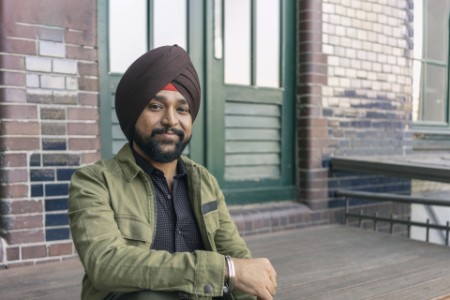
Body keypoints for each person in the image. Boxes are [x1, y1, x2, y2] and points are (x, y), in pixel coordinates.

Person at [68, 45, 277, 300]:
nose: (170, 120)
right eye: (156, 106)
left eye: (182, 109)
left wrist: (248, 280)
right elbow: (105, 263)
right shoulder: (94, 182)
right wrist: (223, 269)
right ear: (133, 114)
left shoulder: (204, 181)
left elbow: (237, 259)